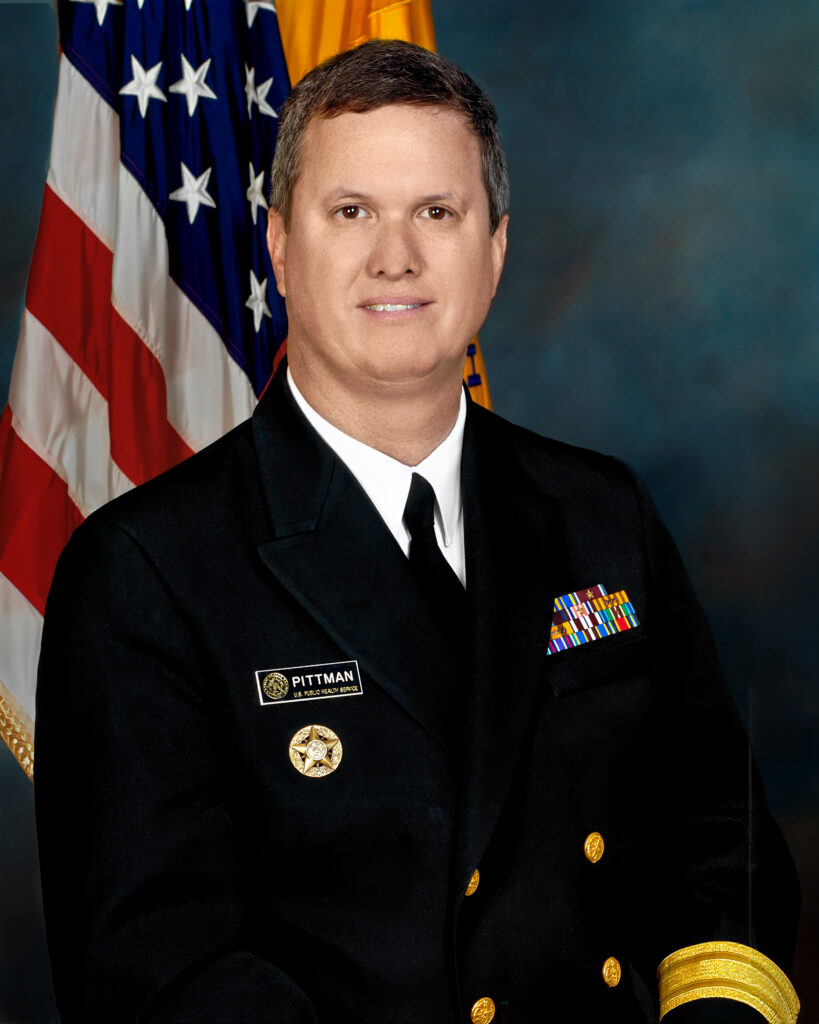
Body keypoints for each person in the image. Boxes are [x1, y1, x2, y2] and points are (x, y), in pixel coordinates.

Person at [35, 39, 800, 1024]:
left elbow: (720, 838)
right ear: (279, 246)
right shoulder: (145, 571)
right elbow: (159, 970)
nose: (394, 256)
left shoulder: (602, 512)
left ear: (495, 249)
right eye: (351, 211)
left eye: (437, 212)